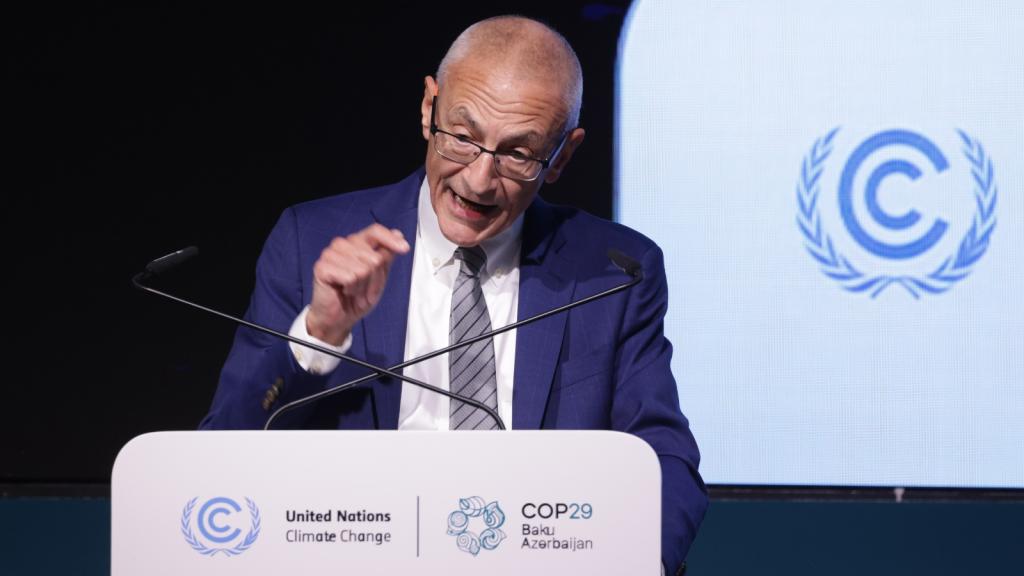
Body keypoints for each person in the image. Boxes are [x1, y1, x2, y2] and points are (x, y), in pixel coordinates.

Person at [200, 15, 707, 573]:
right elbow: (226, 446)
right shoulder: (309, 240)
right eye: (462, 138)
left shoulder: (611, 274)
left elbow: (664, 460)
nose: (478, 180)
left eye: (518, 153)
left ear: (561, 156)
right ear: (428, 108)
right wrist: (318, 334)